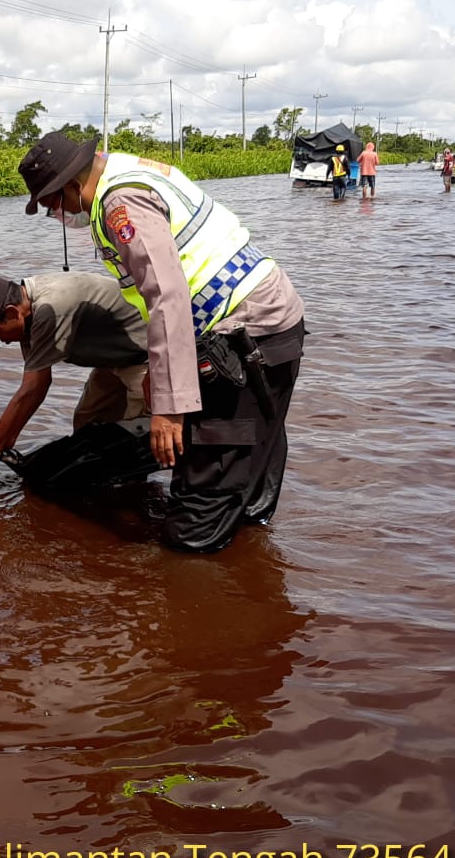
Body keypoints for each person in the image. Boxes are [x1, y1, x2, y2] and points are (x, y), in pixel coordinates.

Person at [16, 131, 307, 553]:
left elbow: (167, 296)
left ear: (73, 186)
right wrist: (158, 369)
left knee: (193, 519)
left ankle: (195, 594)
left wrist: (171, 409)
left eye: (52, 203)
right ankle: (253, 568)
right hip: (274, 319)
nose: (56, 213)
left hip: (244, 332)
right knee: (251, 469)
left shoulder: (119, 205)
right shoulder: (130, 171)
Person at [0, 273, 152, 487]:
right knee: (87, 424)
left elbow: (35, 386)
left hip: (145, 354)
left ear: (12, 313)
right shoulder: (25, 317)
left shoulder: (48, 309)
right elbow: (34, 387)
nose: (0, 341)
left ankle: (135, 495)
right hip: (110, 358)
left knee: (141, 437)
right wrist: (8, 439)